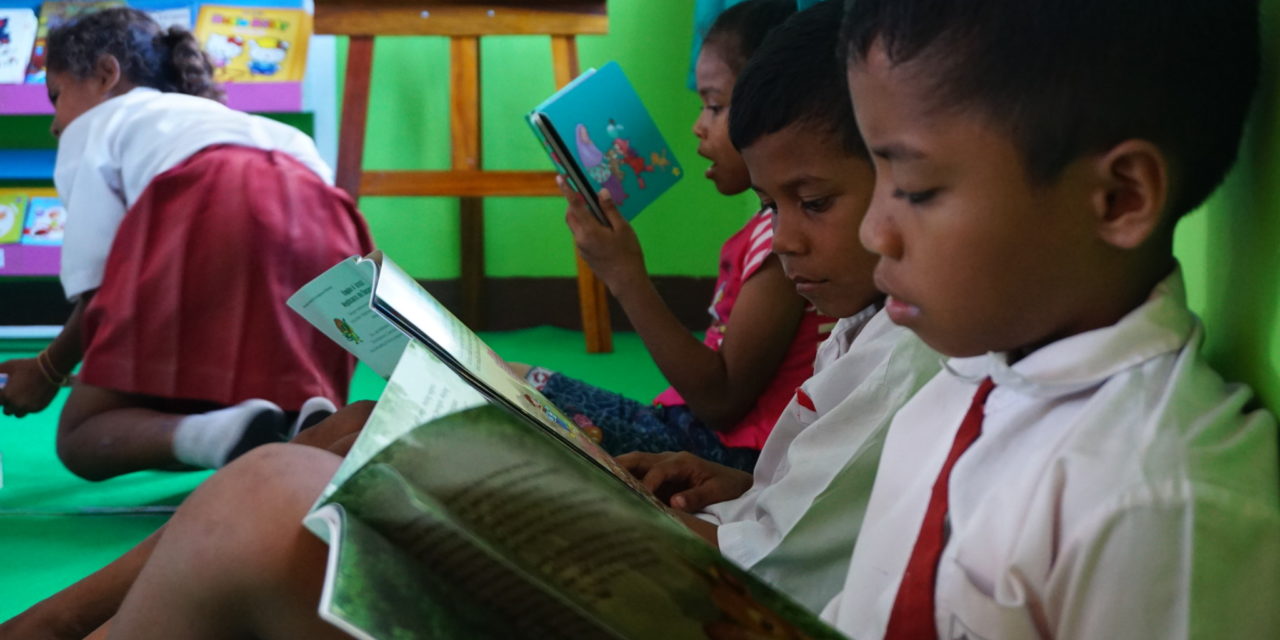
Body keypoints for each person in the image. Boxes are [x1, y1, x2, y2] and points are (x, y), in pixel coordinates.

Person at [819, 0, 1280, 637]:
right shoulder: (965, 379)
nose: (873, 232)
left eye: (916, 188)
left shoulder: (1153, 501)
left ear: (1119, 199)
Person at [617, 0, 940, 614]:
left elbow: (764, 571)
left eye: (814, 202)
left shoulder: (905, 356)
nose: (785, 239)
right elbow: (807, 508)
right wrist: (745, 491)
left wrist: (587, 510)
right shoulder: (862, 318)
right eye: (771, 206)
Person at [0, 8, 373, 480]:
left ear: (105, 74)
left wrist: (48, 369)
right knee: (226, 385)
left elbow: (98, 291)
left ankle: (215, 434)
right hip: (328, 222)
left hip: (207, 202)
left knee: (83, 435)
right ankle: (302, 420)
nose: (55, 124)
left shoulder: (99, 123)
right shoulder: (239, 123)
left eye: (57, 97)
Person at [517, 0, 823, 472]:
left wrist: (625, 276)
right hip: (692, 430)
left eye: (716, 106)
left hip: (725, 455)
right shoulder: (768, 229)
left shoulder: (783, 245)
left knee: (517, 394)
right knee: (508, 384)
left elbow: (720, 400)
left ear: (771, 107)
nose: (699, 126)